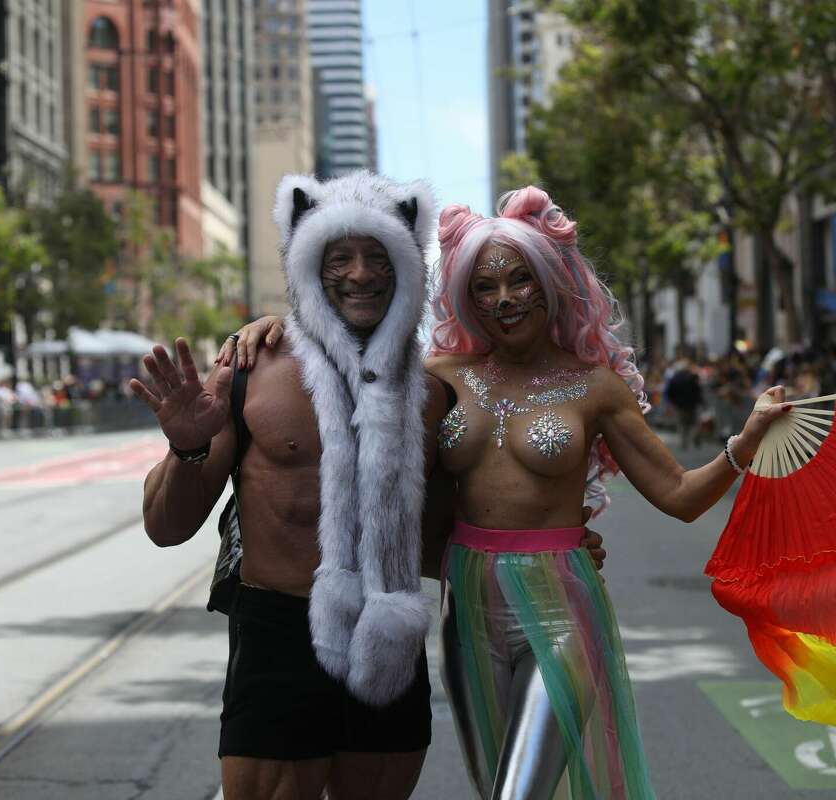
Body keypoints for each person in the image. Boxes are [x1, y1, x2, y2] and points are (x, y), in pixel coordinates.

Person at [236, 186, 788, 799]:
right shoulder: (439, 377)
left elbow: (680, 495)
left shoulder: (595, 387)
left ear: (549, 282)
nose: (503, 299)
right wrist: (276, 328)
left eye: (519, 279)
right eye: (483, 287)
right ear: (466, 299)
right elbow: (353, 371)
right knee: (494, 784)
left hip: (560, 607)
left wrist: (747, 440)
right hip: (466, 603)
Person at [136, 173, 606, 800]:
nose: (360, 274)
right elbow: (166, 529)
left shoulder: (435, 392)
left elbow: (444, 534)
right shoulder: (250, 371)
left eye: (379, 256)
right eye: (339, 256)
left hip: (390, 641)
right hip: (280, 637)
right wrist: (187, 445)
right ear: (309, 264)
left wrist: (551, 552)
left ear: (407, 266)